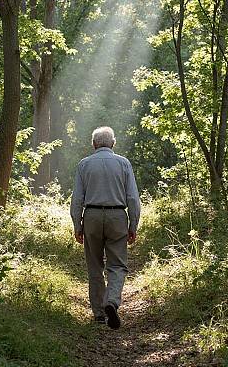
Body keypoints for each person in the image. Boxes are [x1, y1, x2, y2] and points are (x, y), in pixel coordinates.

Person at [70, 126, 141, 329]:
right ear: (113, 143)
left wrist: (78, 224)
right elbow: (133, 198)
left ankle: (99, 314)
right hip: (117, 215)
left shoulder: (84, 165)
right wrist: (133, 224)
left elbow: (77, 199)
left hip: (91, 215)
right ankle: (111, 301)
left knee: (94, 265)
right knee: (117, 265)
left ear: (93, 144)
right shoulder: (123, 163)